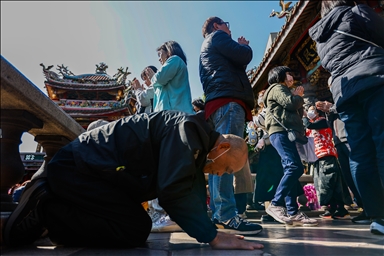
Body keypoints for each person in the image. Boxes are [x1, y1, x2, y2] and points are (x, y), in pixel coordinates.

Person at [3, 110, 264, 249]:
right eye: (227, 170)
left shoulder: (196, 147)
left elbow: (191, 195)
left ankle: (58, 220)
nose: (222, 175)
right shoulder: (187, 130)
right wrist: (213, 238)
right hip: (78, 169)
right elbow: (173, 192)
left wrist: (211, 230)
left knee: (135, 228)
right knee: (135, 227)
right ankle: (46, 206)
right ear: (223, 150)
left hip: (96, 177)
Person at [309, 0, 384, 235]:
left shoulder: (320, 38)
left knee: (360, 152)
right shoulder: (356, 12)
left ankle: (377, 215)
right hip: (374, 78)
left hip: (345, 95)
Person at [199, 16, 260, 234]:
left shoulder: (211, 44)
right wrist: (244, 46)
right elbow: (243, 55)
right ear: (216, 25)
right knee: (227, 157)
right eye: (227, 25)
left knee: (218, 157)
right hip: (228, 102)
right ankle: (226, 214)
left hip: (219, 103)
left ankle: (219, 213)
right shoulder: (217, 37)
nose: (229, 29)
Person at [263, 66, 318, 227]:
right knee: (295, 167)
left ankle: (293, 212)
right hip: (280, 132)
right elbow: (290, 103)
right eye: (288, 73)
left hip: (285, 133)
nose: (291, 77)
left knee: (291, 169)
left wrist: (296, 97)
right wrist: (298, 96)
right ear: (278, 75)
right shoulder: (277, 87)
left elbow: (296, 111)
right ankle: (276, 204)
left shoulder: (285, 90)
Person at [315, 99, 370, 224]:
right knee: (348, 176)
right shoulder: (331, 110)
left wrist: (332, 108)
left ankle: (371, 208)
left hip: (350, 138)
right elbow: (329, 126)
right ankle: (364, 207)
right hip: (339, 142)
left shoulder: (345, 100)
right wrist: (328, 112)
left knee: (359, 172)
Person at [303, 106, 351, 219]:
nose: (310, 112)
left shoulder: (323, 121)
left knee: (331, 182)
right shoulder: (313, 123)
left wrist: (304, 116)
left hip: (327, 154)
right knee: (323, 184)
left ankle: (341, 208)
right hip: (317, 157)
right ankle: (332, 207)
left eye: (312, 110)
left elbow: (309, 125)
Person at [145, 41, 194, 114]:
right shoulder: (174, 65)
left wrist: (153, 77)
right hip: (169, 115)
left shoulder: (175, 59)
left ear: (168, 51)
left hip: (176, 114)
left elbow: (160, 79)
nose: (159, 59)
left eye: (160, 54)